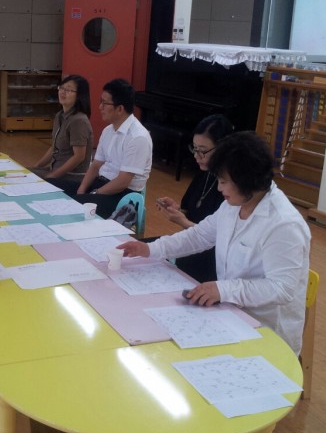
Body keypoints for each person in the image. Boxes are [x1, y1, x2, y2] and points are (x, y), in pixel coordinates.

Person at [118, 131, 311, 355]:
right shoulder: (234, 205)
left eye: (224, 181)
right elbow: (199, 236)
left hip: (267, 334)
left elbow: (281, 289)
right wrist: (150, 249)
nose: (219, 188)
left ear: (246, 180)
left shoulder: (283, 224)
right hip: (230, 315)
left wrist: (222, 289)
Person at [54, 78, 152, 219]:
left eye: (105, 103)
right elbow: (95, 166)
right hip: (101, 184)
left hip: (123, 195)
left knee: (73, 206)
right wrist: (81, 190)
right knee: (53, 188)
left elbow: (122, 182)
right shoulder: (108, 130)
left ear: (120, 109)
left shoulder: (138, 137)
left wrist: (94, 193)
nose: (100, 107)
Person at [152, 114, 234, 283]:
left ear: (222, 148)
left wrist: (182, 221)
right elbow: (190, 211)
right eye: (194, 149)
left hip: (211, 262)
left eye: (202, 151)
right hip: (191, 250)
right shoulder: (205, 173)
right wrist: (176, 210)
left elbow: (216, 238)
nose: (197, 156)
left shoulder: (232, 188)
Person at [31, 75, 93, 183]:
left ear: (79, 95)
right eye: (61, 88)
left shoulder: (78, 120)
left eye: (68, 90)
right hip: (55, 170)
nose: (62, 92)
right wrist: (36, 167)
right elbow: (54, 148)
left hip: (72, 177)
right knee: (24, 174)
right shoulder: (60, 116)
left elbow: (79, 157)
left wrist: (52, 176)